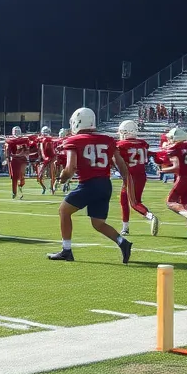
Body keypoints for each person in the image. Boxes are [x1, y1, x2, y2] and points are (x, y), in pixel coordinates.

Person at [46, 107, 133, 264]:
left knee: (64, 211)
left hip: (89, 184)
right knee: (98, 223)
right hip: (105, 184)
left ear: (77, 122)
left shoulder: (74, 141)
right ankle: (122, 242)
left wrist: (62, 178)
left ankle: (66, 250)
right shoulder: (107, 140)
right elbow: (119, 163)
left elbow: (70, 167)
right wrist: (126, 179)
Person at [115, 119, 158, 236]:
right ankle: (125, 228)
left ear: (126, 132)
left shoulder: (121, 145)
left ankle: (150, 216)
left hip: (130, 175)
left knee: (134, 203)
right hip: (141, 175)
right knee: (124, 199)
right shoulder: (142, 143)